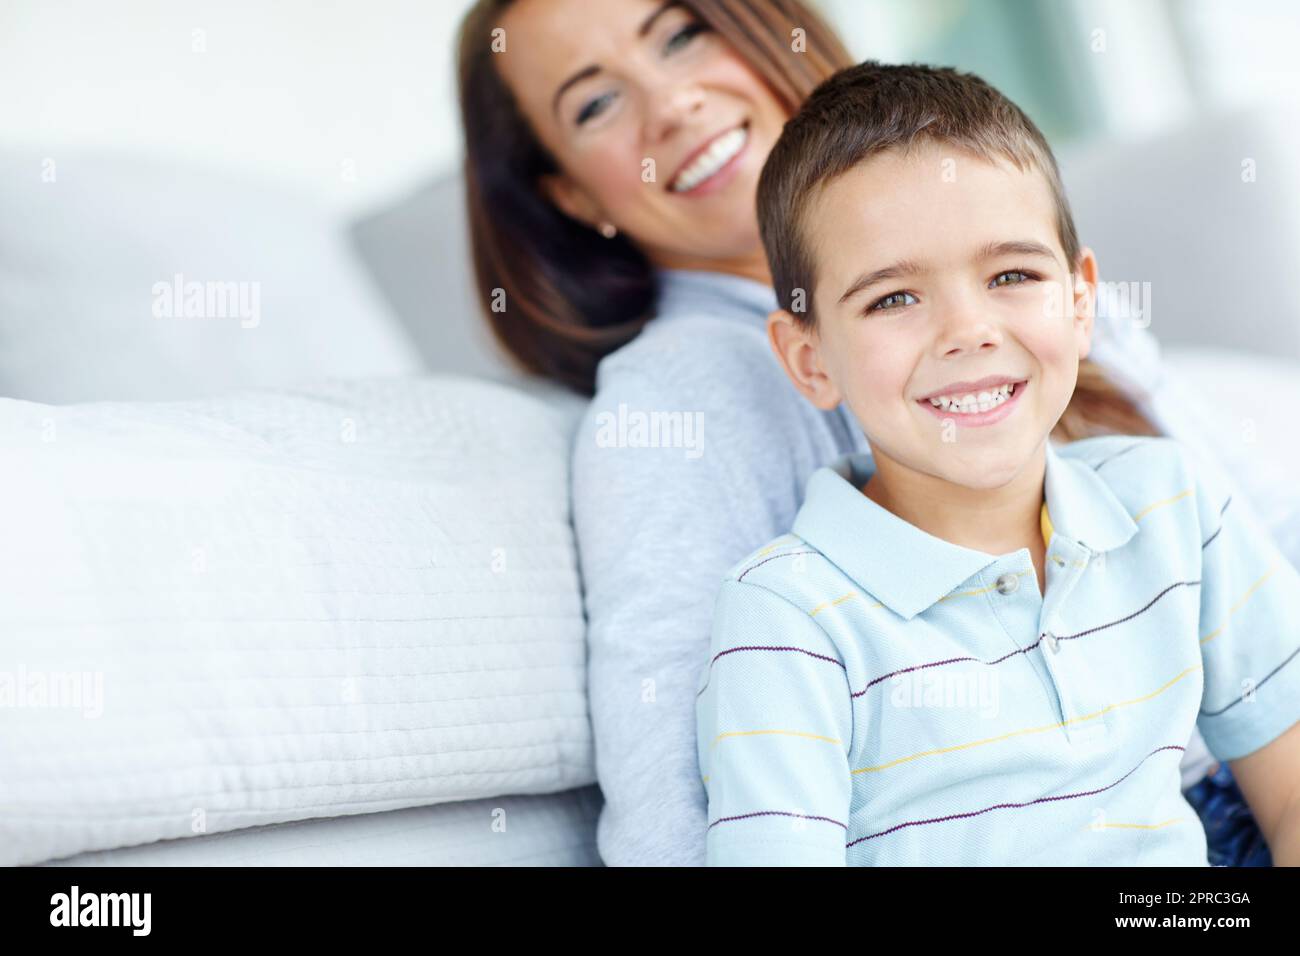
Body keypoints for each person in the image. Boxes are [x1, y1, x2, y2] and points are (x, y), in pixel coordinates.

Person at [455, 0, 1273, 865]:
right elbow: (675, 795)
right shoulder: (672, 403)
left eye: (681, 34)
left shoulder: (1008, 241)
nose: (672, 104)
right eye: (595, 103)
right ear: (573, 194)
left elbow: (1260, 532)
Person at [695, 60, 1300, 866]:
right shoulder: (789, 618)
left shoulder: (1171, 501)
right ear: (809, 360)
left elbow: (1289, 791)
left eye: (1011, 275)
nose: (968, 330)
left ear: (1081, 303)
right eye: (893, 299)